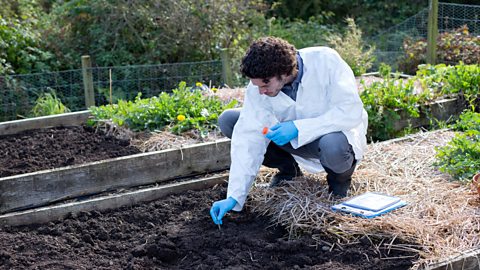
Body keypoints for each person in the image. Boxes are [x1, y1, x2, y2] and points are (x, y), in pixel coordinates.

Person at [210, 37, 368, 225]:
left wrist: (299, 128)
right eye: (257, 85)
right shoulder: (260, 88)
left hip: (334, 138)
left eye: (265, 85)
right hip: (292, 142)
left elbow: (350, 111)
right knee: (231, 120)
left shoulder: (326, 61)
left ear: (284, 72)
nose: (261, 91)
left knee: (332, 145)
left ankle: (339, 183)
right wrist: (234, 197)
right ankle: (288, 171)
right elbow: (247, 139)